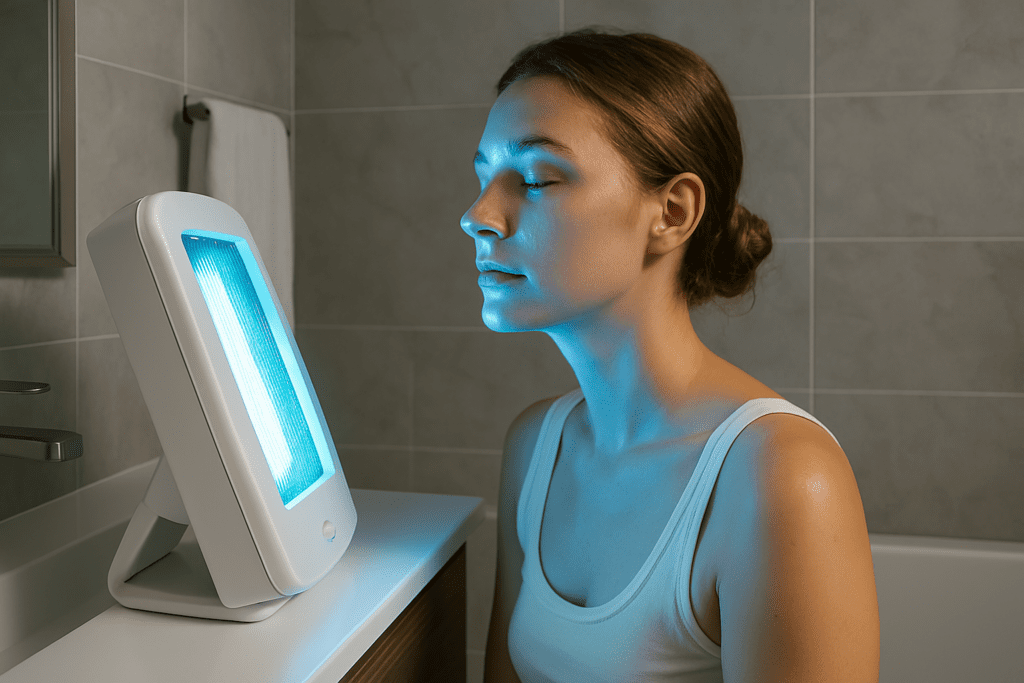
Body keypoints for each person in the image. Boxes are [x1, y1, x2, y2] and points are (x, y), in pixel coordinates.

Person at [461, 28, 880, 683]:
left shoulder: (782, 477)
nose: (480, 214)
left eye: (537, 178)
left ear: (673, 212)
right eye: (484, 176)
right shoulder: (535, 447)